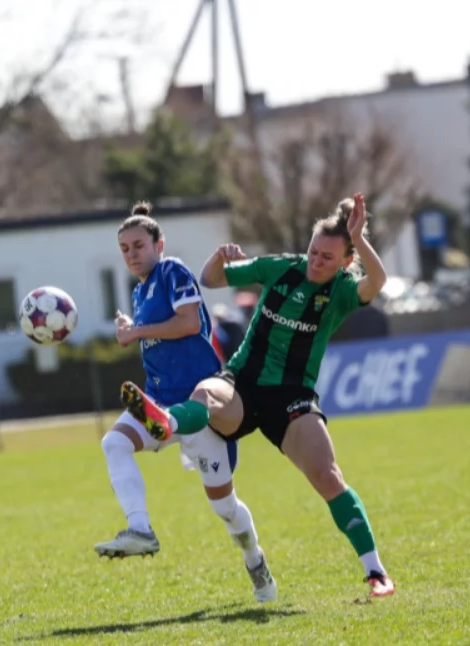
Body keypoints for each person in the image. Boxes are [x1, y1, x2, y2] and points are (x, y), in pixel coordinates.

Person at [118, 193, 396, 599]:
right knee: (205, 392)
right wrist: (219, 257)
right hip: (241, 384)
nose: (316, 261)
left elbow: (378, 282)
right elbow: (211, 279)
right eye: (314, 251)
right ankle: (167, 422)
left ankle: (375, 571)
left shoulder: (342, 292)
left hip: (291, 399)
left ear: (345, 262)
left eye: (327, 258)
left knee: (327, 476)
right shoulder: (281, 267)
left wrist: (360, 237)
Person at [93, 201, 277, 603]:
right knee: (114, 443)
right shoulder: (140, 292)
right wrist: (134, 329)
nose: (132, 254)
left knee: (224, 507)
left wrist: (136, 331)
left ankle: (254, 559)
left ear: (159, 244)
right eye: (124, 249)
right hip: (158, 402)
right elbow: (153, 336)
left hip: (201, 404)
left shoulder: (172, 271)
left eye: (138, 245)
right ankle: (140, 529)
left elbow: (190, 323)